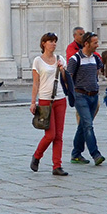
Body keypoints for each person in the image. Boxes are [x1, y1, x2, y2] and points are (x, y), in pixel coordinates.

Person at [30, 32, 69, 176]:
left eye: (54, 41)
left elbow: (65, 79)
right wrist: (33, 101)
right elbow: (36, 83)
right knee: (50, 134)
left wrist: (62, 69)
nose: (53, 44)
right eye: (50, 41)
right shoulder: (38, 61)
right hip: (45, 99)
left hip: (60, 98)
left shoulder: (60, 59)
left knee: (59, 134)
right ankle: (37, 156)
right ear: (43, 44)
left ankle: (57, 165)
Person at [68, 31, 105, 166]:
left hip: (93, 96)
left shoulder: (96, 58)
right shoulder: (75, 59)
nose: (97, 45)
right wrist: (71, 95)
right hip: (80, 96)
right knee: (88, 125)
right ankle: (96, 154)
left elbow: (99, 72)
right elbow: (68, 77)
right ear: (86, 44)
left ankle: (76, 154)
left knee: (83, 125)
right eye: (95, 43)